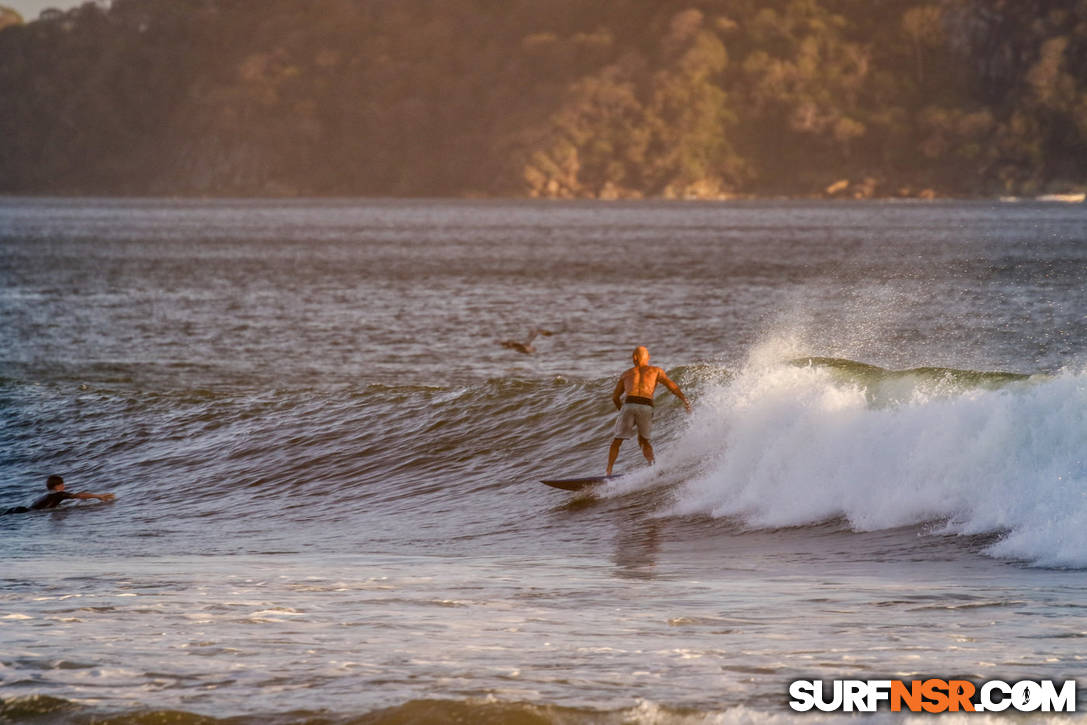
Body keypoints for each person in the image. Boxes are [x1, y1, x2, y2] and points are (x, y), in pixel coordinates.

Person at [606, 346, 691, 475]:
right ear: (648, 357)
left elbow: (615, 397)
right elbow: (671, 386)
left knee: (617, 441)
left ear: (634, 358)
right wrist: (684, 399)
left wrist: (622, 411)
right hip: (646, 406)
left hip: (629, 404)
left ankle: (608, 471)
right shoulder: (656, 371)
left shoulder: (626, 373)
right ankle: (653, 468)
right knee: (644, 441)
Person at [1, 474, 115, 515]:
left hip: (19, 510)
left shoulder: (46, 496)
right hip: (23, 512)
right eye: (62, 484)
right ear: (57, 486)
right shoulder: (59, 495)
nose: (64, 486)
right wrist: (98, 496)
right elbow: (79, 495)